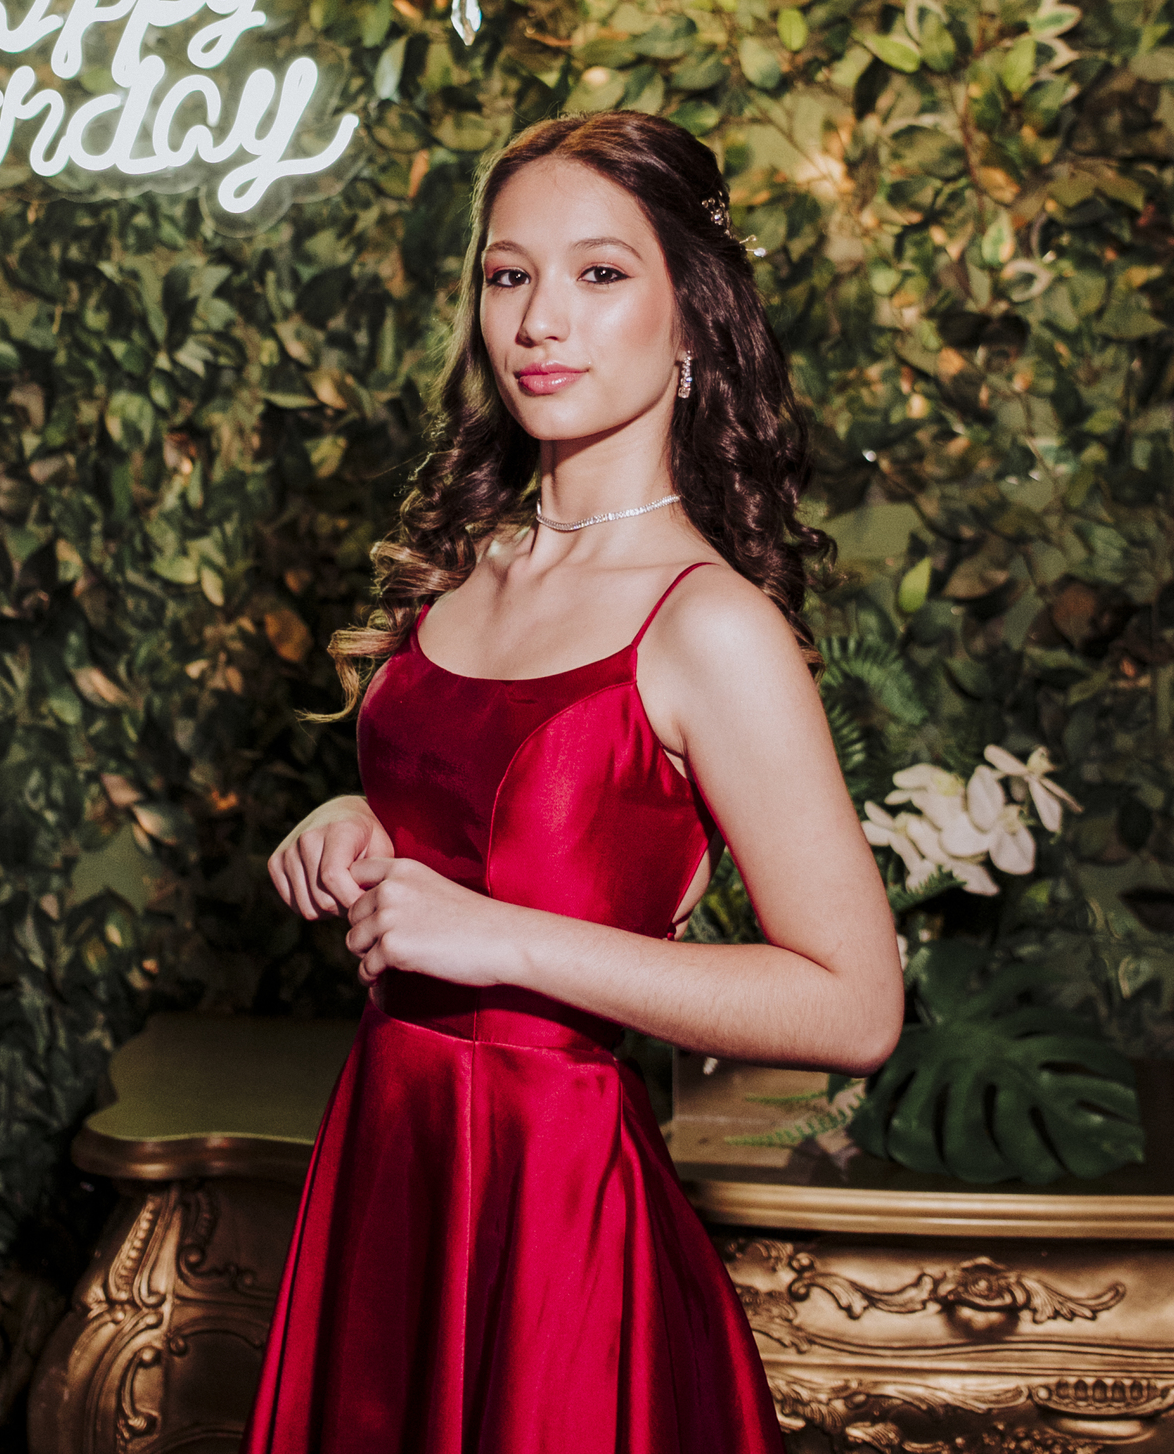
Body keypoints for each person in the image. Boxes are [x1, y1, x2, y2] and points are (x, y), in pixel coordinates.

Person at [243, 110, 904, 1454]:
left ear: (693, 320)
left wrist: (498, 938)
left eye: (601, 274)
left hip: (553, 1202)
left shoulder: (710, 624)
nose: (541, 320)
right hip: (390, 1155)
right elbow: (493, 823)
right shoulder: (464, 569)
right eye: (509, 275)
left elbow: (853, 1006)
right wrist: (358, 822)